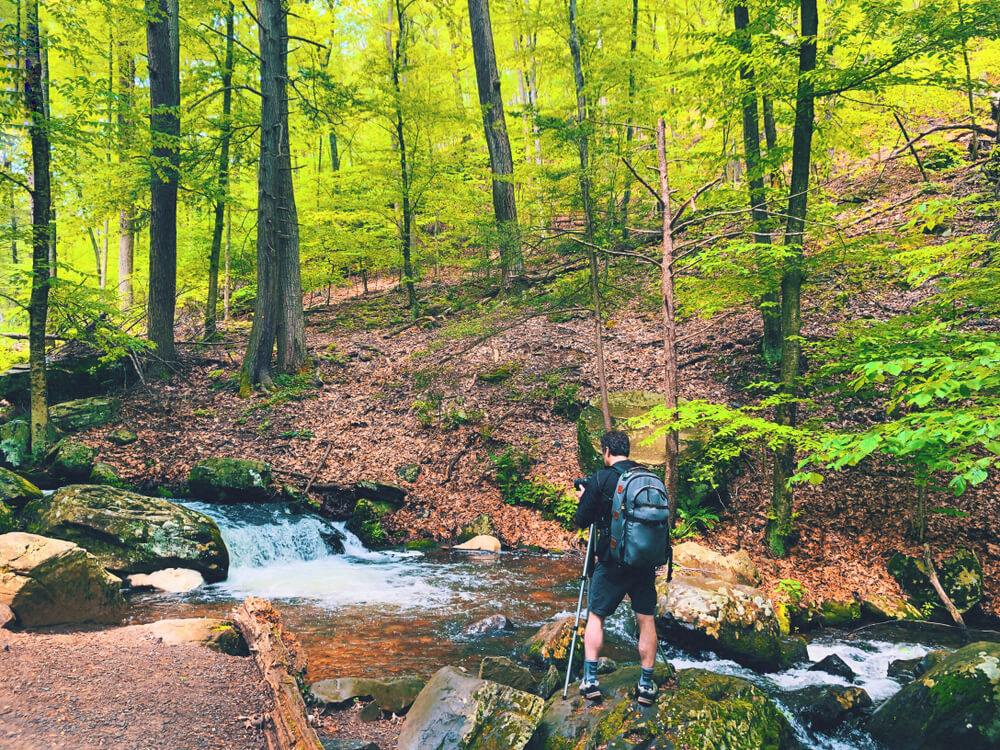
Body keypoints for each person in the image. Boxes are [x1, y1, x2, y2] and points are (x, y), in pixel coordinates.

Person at [574, 429, 660, 705]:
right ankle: (646, 685)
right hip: (644, 562)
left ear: (607, 452)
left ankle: (591, 681)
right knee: (646, 619)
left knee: (596, 616)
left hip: (611, 561)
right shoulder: (648, 478)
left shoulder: (602, 478)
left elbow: (581, 519)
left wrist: (585, 495)